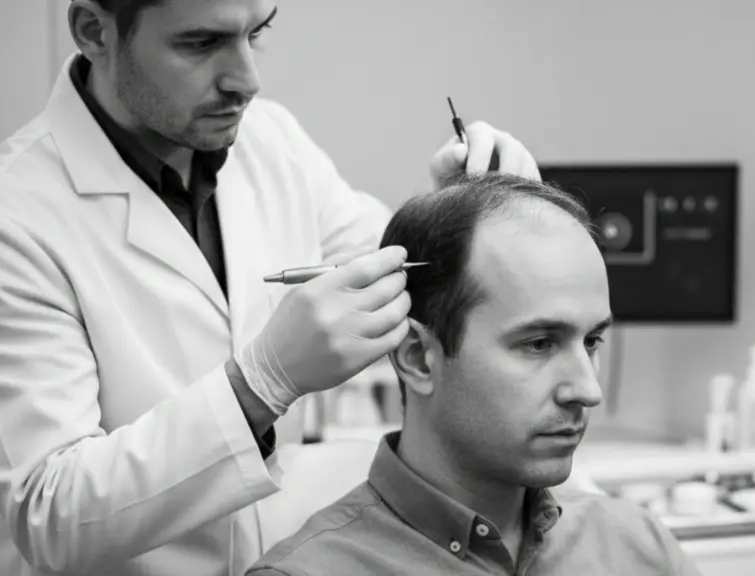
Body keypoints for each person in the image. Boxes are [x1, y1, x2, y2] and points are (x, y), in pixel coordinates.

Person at [0, 1, 540, 575]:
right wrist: (258, 385)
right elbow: (46, 516)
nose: (247, 81)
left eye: (255, 34)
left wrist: (455, 215)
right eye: (201, 43)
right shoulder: (18, 216)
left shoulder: (270, 141)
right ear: (93, 31)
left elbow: (389, 267)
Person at [244, 173, 755, 576]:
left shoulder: (637, 547)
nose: (588, 388)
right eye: (539, 343)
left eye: (593, 341)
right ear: (416, 356)